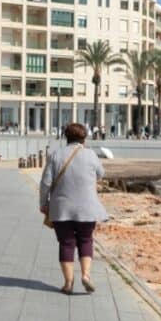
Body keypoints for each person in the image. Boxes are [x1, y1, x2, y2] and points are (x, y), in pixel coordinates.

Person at [39, 123, 109, 295]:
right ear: (84, 138)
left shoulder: (56, 155)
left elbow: (46, 182)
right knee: (86, 240)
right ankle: (86, 275)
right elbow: (101, 173)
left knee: (66, 243)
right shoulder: (91, 154)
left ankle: (68, 283)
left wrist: (43, 203)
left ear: (66, 137)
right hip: (87, 208)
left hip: (61, 208)